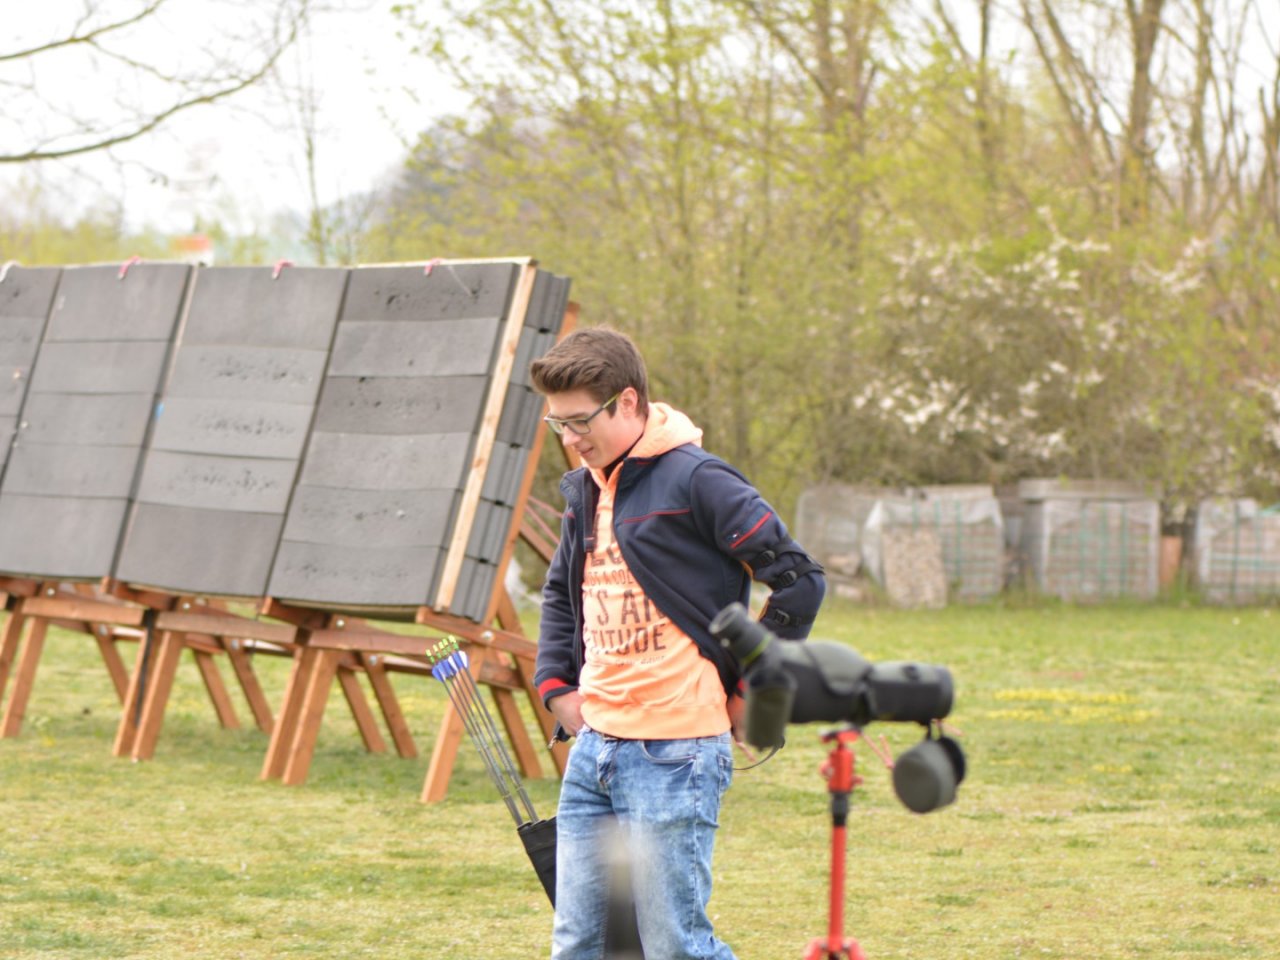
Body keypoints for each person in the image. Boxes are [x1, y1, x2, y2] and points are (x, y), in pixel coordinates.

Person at [529, 328, 826, 960]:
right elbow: (560, 593)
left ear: (628, 403)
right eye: (558, 425)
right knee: (581, 942)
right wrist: (557, 689)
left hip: (676, 754)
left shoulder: (699, 480)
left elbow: (799, 583)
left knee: (674, 947)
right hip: (593, 750)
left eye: (581, 421)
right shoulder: (583, 488)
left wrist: (750, 688)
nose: (572, 440)